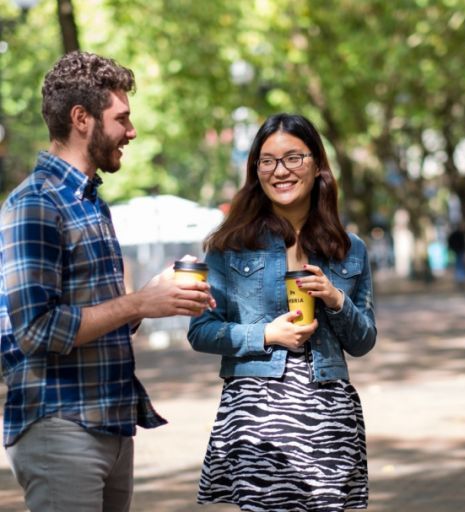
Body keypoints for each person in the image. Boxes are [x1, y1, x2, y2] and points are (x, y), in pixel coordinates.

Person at [0, 51, 214, 511]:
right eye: (122, 118)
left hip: (110, 423)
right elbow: (37, 329)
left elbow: (97, 317)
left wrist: (158, 297)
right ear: (82, 118)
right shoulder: (35, 203)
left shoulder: (90, 202)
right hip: (60, 425)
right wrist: (138, 303)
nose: (131, 132)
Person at [186, 113, 376, 510]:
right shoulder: (229, 244)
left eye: (294, 158)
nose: (281, 171)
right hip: (258, 411)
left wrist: (335, 299)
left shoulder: (349, 247)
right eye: (268, 161)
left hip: (328, 411)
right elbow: (201, 331)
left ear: (317, 163)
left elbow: (363, 341)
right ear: (256, 171)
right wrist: (267, 335)